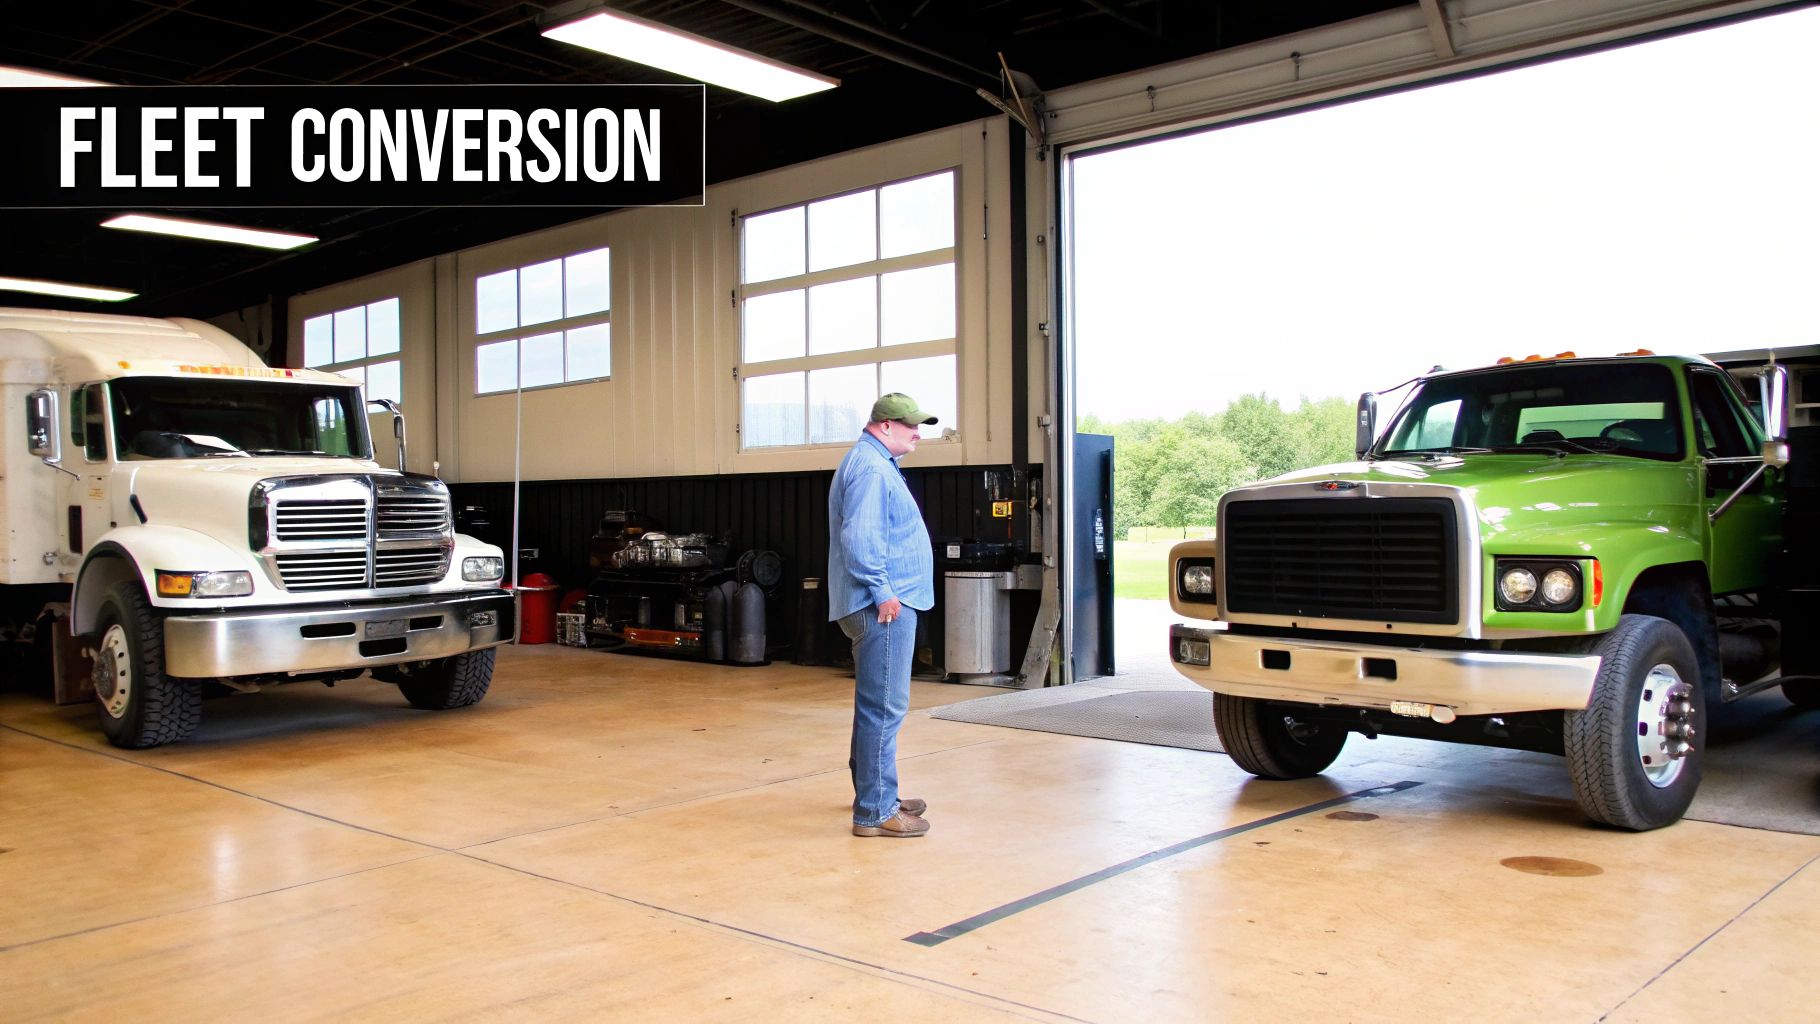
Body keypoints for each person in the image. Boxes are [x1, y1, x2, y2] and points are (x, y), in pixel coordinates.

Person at [829, 393, 938, 838]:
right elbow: (861, 538)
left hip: (879, 601)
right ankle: (874, 811)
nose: (918, 434)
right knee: (885, 707)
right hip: (882, 606)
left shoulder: (874, 463)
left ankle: (876, 794)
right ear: (885, 425)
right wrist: (883, 591)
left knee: (875, 705)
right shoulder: (872, 469)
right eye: (911, 425)